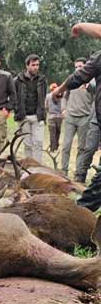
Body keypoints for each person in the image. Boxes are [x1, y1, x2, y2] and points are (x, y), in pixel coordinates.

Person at [54, 23, 101, 194]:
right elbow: (78, 78)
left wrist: (79, 26)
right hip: (91, 117)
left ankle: (85, 207)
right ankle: (80, 182)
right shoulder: (98, 59)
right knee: (86, 149)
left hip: (87, 116)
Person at [58, 58, 95, 175]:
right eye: (76, 67)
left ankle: (79, 173)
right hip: (70, 117)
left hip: (84, 118)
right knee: (66, 146)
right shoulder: (72, 80)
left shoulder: (92, 82)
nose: (77, 69)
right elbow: (64, 96)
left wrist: (91, 114)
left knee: (82, 147)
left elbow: (96, 99)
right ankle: (63, 171)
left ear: (85, 67)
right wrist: (63, 109)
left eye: (80, 66)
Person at [13, 54, 47, 162]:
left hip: (37, 116)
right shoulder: (17, 80)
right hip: (23, 116)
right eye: (33, 65)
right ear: (27, 66)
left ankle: (37, 168)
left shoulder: (42, 80)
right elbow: (14, 97)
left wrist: (42, 111)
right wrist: (17, 110)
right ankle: (28, 167)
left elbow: (43, 95)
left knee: (38, 143)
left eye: (37, 65)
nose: (36, 67)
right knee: (27, 145)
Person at [45, 82, 65, 153]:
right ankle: (56, 145)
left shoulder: (48, 96)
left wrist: (49, 111)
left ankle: (52, 148)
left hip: (51, 116)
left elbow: (46, 106)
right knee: (58, 132)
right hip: (59, 116)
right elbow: (63, 106)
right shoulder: (61, 96)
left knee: (52, 133)